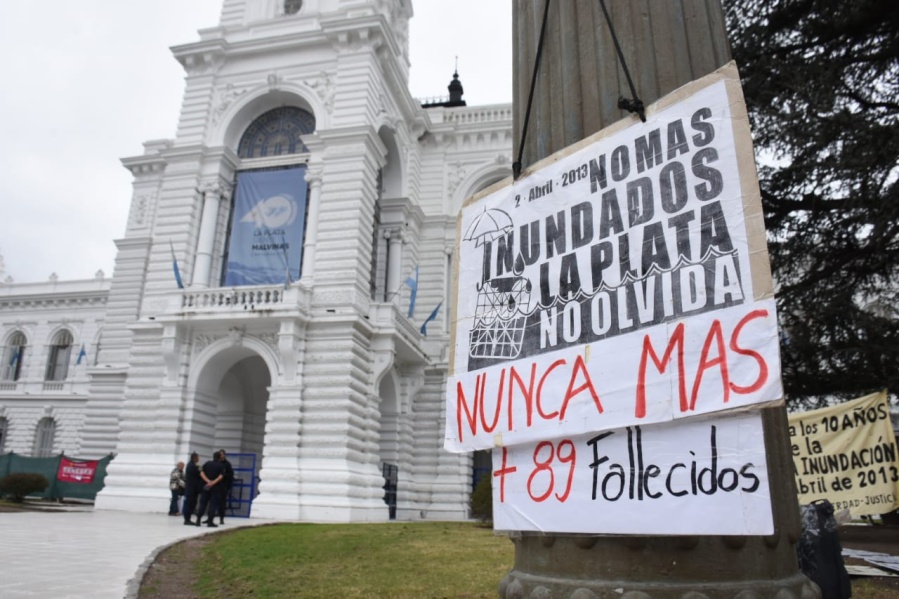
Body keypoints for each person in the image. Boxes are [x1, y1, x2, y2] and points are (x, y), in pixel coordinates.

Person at [195, 450, 225, 527]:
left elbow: (201, 472)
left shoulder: (207, 463)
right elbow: (220, 477)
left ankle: (198, 520)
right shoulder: (221, 466)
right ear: (219, 457)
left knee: (203, 504)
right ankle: (210, 522)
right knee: (213, 505)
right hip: (216, 487)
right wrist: (213, 483)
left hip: (206, 486)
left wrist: (208, 481)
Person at [182, 452, 202, 526]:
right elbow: (199, 474)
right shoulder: (192, 466)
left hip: (192, 488)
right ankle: (187, 519)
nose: (198, 459)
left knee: (191, 503)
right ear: (194, 458)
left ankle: (188, 518)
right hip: (191, 488)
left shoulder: (191, 465)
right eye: (197, 457)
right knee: (190, 503)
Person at [217, 449, 234, 524]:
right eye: (220, 454)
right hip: (215, 485)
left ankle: (221, 518)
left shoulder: (227, 464)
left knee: (222, 502)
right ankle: (210, 517)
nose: (221, 455)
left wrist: (223, 476)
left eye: (222, 454)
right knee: (213, 502)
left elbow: (230, 474)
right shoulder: (216, 462)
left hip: (224, 485)